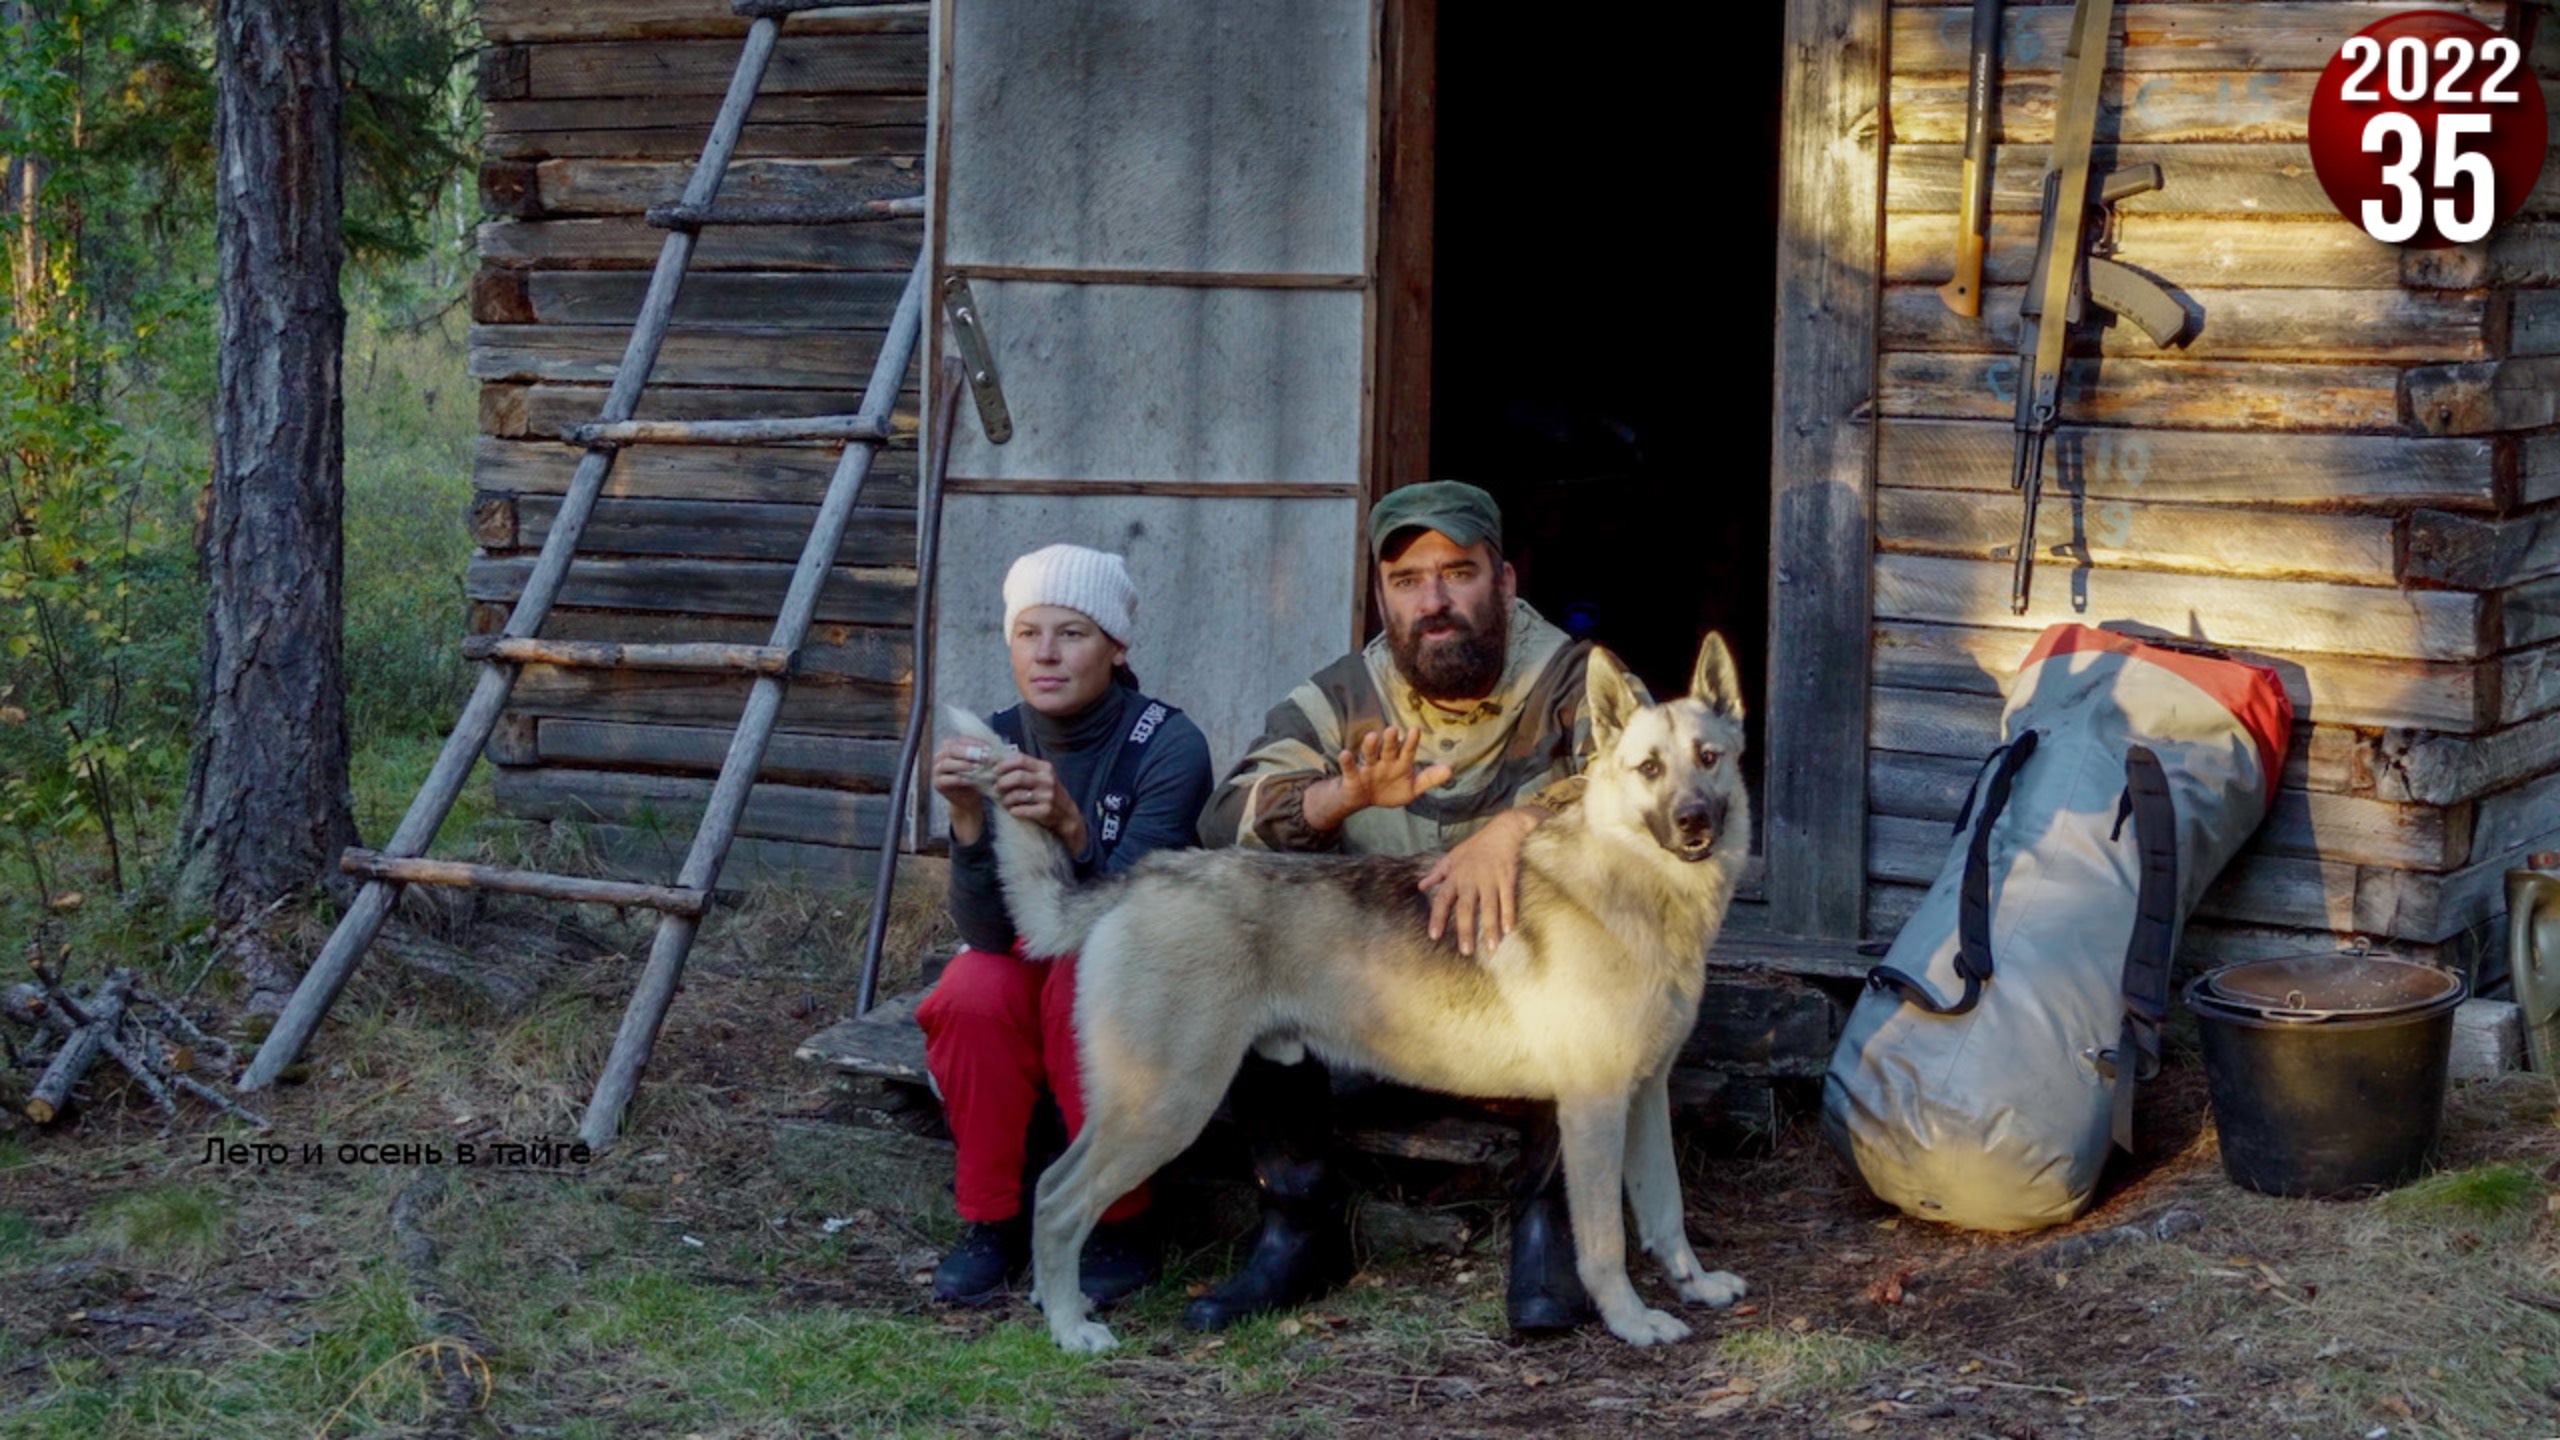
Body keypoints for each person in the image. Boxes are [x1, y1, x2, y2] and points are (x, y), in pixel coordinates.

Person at [1193, 480, 1620, 1335]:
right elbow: (1224, 819)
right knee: (1240, 930)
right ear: (1382, 596)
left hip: (1527, 1006)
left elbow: (1645, 785)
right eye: (1407, 581)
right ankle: (1298, 1224)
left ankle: (1553, 1224)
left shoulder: (1576, 675)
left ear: (1504, 581)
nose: (1433, 602)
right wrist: (1335, 799)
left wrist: (1518, 828)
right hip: (1376, 1006)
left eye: (1457, 573)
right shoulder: (1345, 695)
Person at [916, 543, 1215, 1306]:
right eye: (1028, 633)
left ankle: (1118, 1219)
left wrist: (1073, 829)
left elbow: (1139, 918)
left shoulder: (1166, 744)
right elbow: (989, 934)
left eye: (1072, 633)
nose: (1045, 654)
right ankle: (993, 1219)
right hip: (1031, 957)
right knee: (972, 990)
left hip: (1142, 966)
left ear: (1117, 647)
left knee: (1077, 982)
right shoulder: (996, 739)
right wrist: (967, 821)